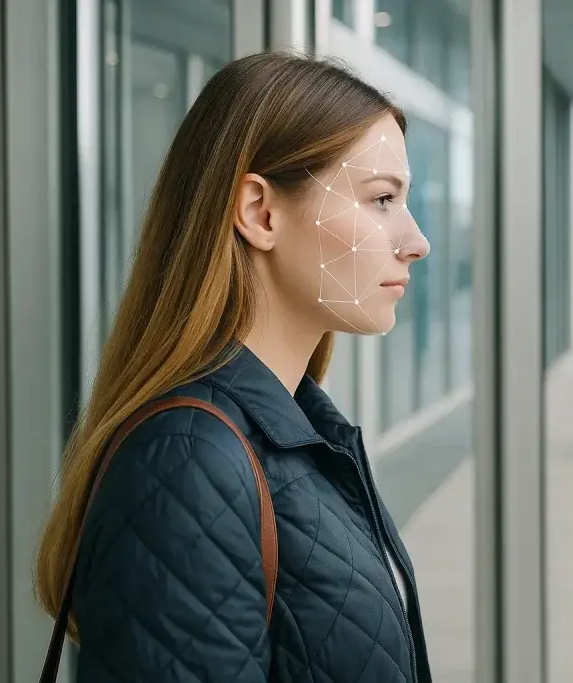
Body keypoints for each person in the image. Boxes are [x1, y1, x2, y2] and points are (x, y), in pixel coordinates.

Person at [33, 53, 433, 683]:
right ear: (260, 213)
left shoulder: (293, 433)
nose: (416, 240)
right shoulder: (189, 459)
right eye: (381, 199)